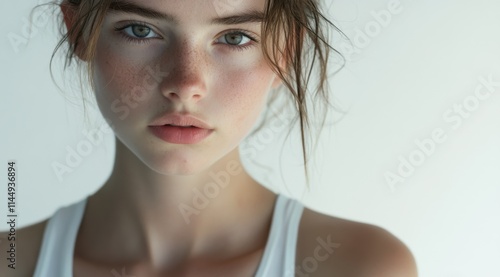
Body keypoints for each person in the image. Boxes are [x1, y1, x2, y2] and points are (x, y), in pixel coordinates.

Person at [1, 0, 418, 276]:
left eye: (235, 38)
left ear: (286, 52)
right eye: (140, 30)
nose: (186, 84)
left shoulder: (363, 266)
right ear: (78, 32)